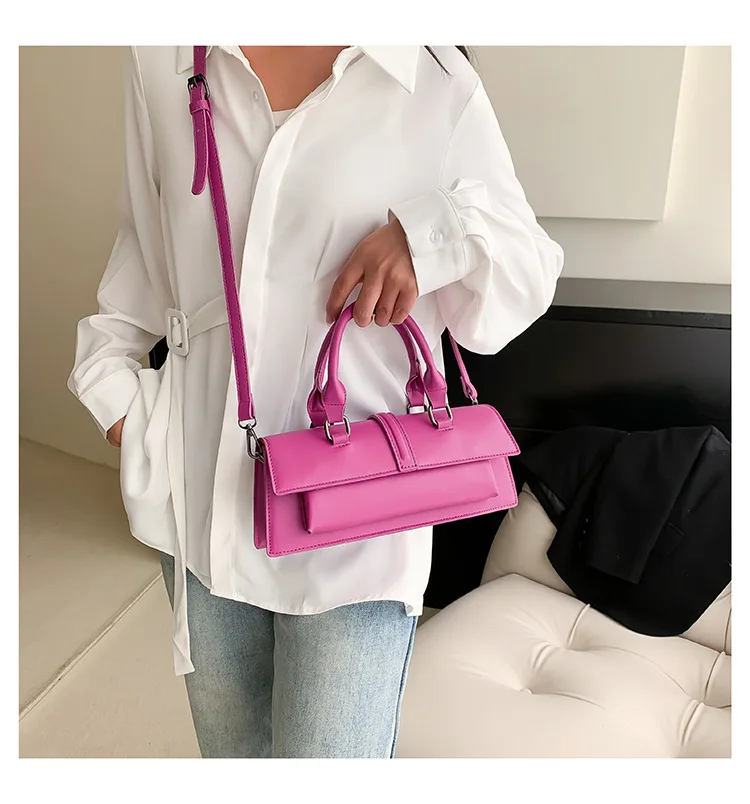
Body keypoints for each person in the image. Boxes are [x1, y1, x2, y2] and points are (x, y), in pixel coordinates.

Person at [69, 45, 564, 758]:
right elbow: (145, 249)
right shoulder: (166, 55)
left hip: (360, 529)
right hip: (203, 503)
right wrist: (113, 391)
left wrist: (431, 235)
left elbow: (527, 276)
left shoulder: (429, 77)